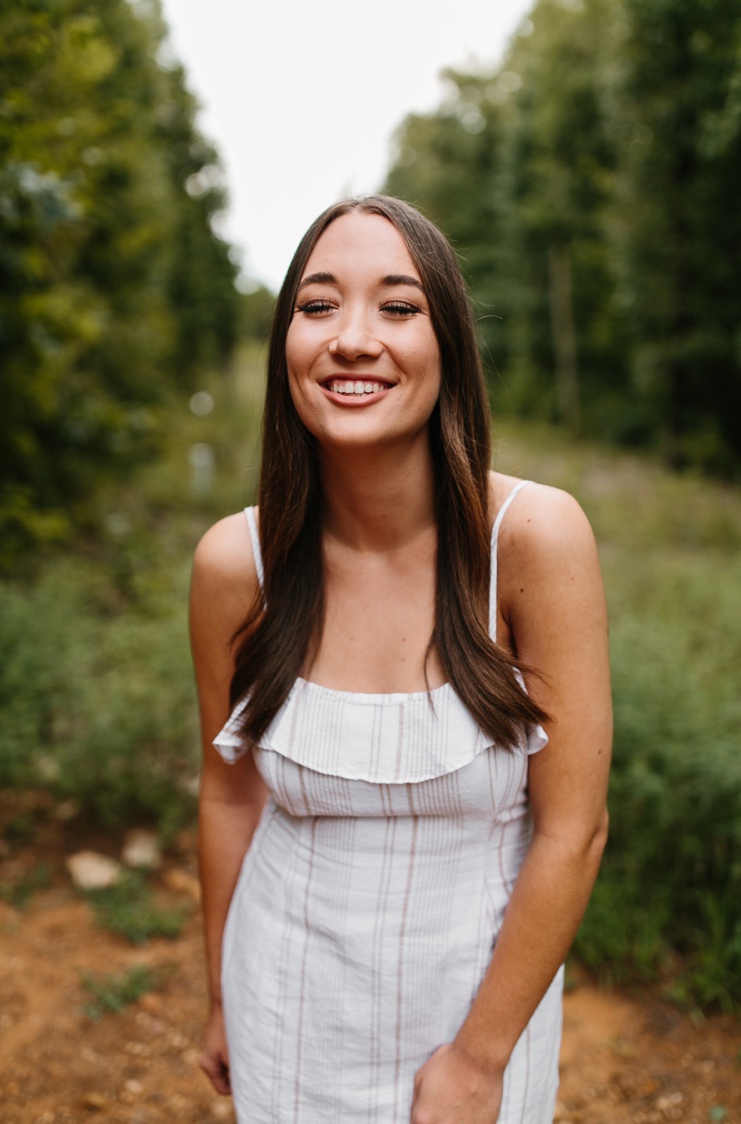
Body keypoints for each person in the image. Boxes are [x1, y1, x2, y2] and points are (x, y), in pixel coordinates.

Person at [189, 196, 611, 1123]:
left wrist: (477, 1059)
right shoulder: (237, 564)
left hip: (477, 1012)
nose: (351, 339)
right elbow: (228, 792)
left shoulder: (533, 539)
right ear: (284, 346)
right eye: (317, 305)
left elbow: (572, 831)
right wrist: (221, 994)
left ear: (447, 343)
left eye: (397, 306)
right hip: (289, 1008)